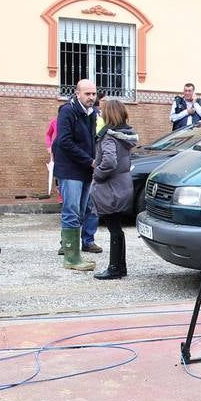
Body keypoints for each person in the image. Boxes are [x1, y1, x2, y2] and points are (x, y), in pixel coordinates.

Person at [53, 79, 102, 270]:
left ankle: (71, 250)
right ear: (77, 93)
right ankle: (71, 259)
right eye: (87, 94)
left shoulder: (91, 113)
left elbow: (91, 140)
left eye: (93, 94)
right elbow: (64, 141)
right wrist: (89, 160)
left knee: (81, 212)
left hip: (84, 170)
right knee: (71, 211)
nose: (91, 97)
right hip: (70, 169)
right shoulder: (67, 111)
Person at [89, 98, 140, 281]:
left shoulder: (109, 136)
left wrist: (97, 174)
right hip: (122, 185)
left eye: (103, 111)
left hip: (110, 188)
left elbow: (109, 161)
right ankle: (120, 267)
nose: (100, 114)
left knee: (114, 229)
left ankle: (114, 268)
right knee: (117, 229)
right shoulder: (124, 135)